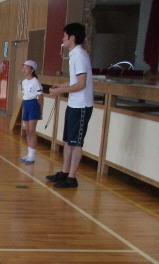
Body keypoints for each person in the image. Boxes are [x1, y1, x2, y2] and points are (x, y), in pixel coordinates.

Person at [47, 23, 94, 189]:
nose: (62, 39)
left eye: (64, 36)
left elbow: (81, 84)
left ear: (72, 38)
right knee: (68, 140)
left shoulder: (80, 55)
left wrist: (59, 92)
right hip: (74, 104)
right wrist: (62, 85)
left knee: (76, 142)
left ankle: (72, 177)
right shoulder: (74, 55)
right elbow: (75, 81)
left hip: (82, 106)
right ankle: (65, 172)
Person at [19, 60, 43, 164]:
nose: (24, 69)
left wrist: (40, 110)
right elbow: (24, 96)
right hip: (26, 105)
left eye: (26, 67)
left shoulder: (35, 82)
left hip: (33, 105)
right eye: (23, 67)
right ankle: (29, 154)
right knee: (27, 131)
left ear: (32, 70)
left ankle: (32, 156)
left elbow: (40, 97)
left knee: (32, 131)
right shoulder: (24, 82)